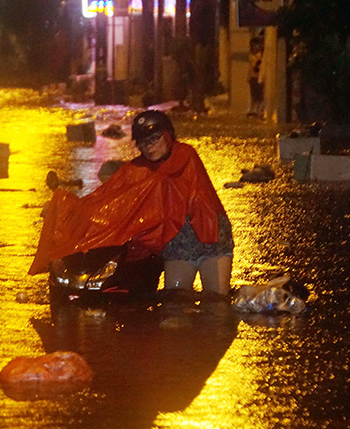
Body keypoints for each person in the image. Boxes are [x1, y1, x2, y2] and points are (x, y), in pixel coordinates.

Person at [29, 110, 234, 295]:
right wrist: (66, 210)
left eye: (154, 139)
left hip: (212, 241)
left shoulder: (185, 155)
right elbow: (107, 200)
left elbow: (161, 184)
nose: (150, 147)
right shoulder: (135, 169)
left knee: (216, 301)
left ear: (168, 136)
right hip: (177, 249)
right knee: (176, 304)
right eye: (143, 143)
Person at [248, 36, 264, 117]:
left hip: (258, 78)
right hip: (252, 78)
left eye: (255, 45)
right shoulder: (251, 56)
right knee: (254, 95)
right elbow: (250, 68)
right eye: (252, 45)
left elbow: (257, 68)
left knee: (259, 95)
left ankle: (258, 110)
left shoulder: (260, 56)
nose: (254, 47)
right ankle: (254, 109)